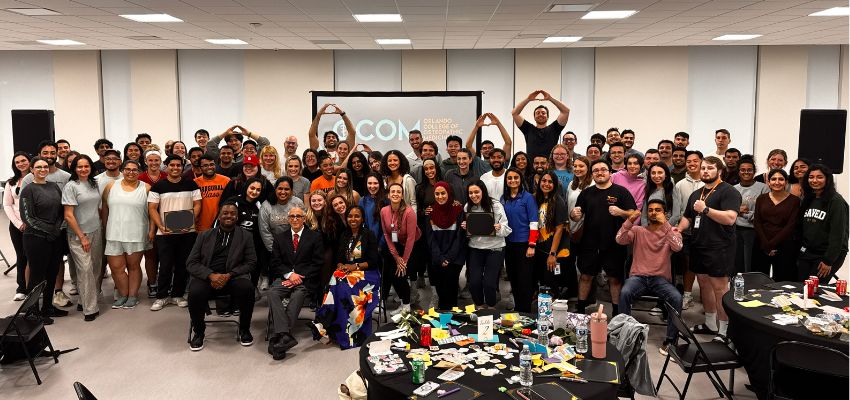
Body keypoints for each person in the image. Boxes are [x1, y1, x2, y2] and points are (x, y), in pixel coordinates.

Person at [677, 156, 742, 342]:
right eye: (703, 168)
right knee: (704, 283)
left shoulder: (728, 192)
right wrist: (679, 228)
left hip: (719, 247)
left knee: (720, 288)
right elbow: (688, 217)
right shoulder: (696, 193)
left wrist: (706, 210)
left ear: (719, 171)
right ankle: (710, 323)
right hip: (699, 245)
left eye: (710, 168)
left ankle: (725, 331)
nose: (705, 171)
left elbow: (730, 218)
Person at [186, 201, 257, 351]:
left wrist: (229, 275)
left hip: (233, 277)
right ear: (219, 216)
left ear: (237, 217)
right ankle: (199, 332)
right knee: (195, 292)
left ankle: (244, 329)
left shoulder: (246, 236)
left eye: (233, 213)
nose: (229, 216)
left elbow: (251, 262)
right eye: (225, 213)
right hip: (207, 277)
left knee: (247, 289)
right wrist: (211, 275)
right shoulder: (204, 235)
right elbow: (191, 263)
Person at [616, 200, 684, 355]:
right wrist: (630, 220)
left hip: (660, 279)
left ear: (665, 213)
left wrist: (666, 225)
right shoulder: (638, 230)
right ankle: (625, 335)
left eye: (658, 210)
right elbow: (619, 239)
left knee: (677, 298)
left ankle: (671, 341)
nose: (654, 213)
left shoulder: (672, 231)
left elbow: (678, 247)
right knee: (625, 292)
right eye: (651, 210)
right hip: (638, 277)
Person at [571, 159, 637, 316]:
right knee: (586, 276)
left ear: (610, 172)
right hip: (589, 243)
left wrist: (621, 212)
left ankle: (616, 311)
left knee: (614, 279)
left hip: (614, 243)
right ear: (592, 174)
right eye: (596, 170)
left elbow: (635, 213)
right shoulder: (586, 193)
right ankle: (580, 308)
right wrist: (573, 215)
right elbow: (576, 216)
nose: (600, 172)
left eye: (603, 170)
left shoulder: (621, 191)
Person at [311, 206, 380, 350]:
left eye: (357, 216)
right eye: (350, 216)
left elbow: (374, 261)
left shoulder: (369, 235)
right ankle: (330, 325)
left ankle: (325, 323)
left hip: (367, 275)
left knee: (339, 282)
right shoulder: (344, 235)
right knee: (337, 278)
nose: (353, 219)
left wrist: (354, 267)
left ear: (362, 219)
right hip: (347, 273)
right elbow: (339, 258)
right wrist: (341, 265)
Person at [264, 206, 324, 358]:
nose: (295, 219)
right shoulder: (280, 237)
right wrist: (290, 275)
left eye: (298, 216)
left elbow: (318, 263)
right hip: (285, 278)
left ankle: (280, 338)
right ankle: (284, 335)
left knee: (298, 294)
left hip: (306, 280)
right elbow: (275, 262)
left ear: (304, 219)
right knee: (272, 292)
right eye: (292, 216)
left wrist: (299, 277)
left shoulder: (315, 237)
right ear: (288, 219)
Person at [20, 141, 73, 309]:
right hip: (36, 238)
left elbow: (60, 211)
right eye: (38, 167)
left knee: (52, 273)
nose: (43, 170)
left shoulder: (53, 187)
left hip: (54, 237)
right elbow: (27, 217)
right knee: (37, 275)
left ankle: (48, 307)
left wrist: (56, 229)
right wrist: (48, 230)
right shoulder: (29, 189)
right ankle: (33, 310)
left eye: (44, 167)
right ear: (32, 170)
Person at [148, 155, 202, 311]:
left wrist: (190, 220)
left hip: (187, 231)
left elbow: (198, 204)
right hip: (164, 233)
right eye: (172, 165)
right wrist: (161, 226)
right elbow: (152, 208)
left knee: (182, 264)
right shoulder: (158, 186)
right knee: (165, 265)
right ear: (167, 166)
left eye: (179, 165)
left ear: (182, 167)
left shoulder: (191, 184)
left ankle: (177, 295)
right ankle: (161, 296)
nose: (175, 168)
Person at [102, 160, 151, 310]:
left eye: (135, 170)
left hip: (136, 233)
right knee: (116, 267)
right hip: (114, 233)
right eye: (128, 169)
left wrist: (151, 231)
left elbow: (152, 212)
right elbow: (105, 208)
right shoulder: (111, 186)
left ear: (139, 171)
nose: (131, 172)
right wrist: (105, 227)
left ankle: (133, 296)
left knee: (134, 266)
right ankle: (123, 295)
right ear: (122, 170)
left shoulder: (146, 188)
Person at [62, 155, 105, 321]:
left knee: (95, 269)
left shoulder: (94, 184)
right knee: (85, 269)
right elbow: (68, 215)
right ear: (74, 168)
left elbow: (98, 208)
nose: (83, 169)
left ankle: (83, 300)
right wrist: (82, 237)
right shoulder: (71, 187)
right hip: (78, 234)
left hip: (96, 230)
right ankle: (90, 308)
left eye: (86, 166)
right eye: (79, 167)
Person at [463, 180, 511, 309]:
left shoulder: (496, 205)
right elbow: (469, 232)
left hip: (495, 248)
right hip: (475, 248)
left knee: (489, 283)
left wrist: (499, 227)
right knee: (474, 282)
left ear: (483, 192)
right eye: (470, 193)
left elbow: (506, 229)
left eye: (476, 192)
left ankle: (491, 306)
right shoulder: (467, 207)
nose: (474, 195)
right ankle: (479, 305)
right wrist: (466, 227)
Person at [798, 164, 848, 281]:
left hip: (826, 255)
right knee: (801, 288)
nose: (814, 180)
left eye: (819, 177)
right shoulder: (809, 198)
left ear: (827, 179)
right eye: (811, 177)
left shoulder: (836, 202)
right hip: (807, 252)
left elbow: (838, 234)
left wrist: (828, 260)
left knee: (814, 290)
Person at [670, 150, 704, 310]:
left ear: (701, 162)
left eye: (695, 161)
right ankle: (688, 296)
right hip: (687, 231)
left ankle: (707, 299)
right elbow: (679, 209)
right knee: (688, 265)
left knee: (705, 267)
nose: (691, 164)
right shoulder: (680, 184)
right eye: (689, 161)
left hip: (707, 232)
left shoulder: (709, 183)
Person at [501, 168, 538, 312]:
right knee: (513, 278)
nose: (512, 181)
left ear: (520, 179)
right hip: (508, 244)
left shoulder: (528, 198)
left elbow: (534, 222)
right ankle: (518, 308)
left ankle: (525, 310)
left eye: (516, 177)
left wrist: (532, 245)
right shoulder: (503, 198)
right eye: (509, 178)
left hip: (525, 245)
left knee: (525, 280)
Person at [753, 169, 800, 282]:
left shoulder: (795, 200)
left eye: (781, 179)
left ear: (786, 182)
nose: (777, 182)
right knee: (759, 280)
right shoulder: (761, 198)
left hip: (784, 246)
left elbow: (791, 225)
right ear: (768, 182)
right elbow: (757, 222)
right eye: (773, 179)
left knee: (783, 280)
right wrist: (766, 244)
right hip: (762, 244)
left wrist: (772, 244)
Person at [380, 183, 419, 313]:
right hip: (394, 245)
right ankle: (402, 303)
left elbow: (410, 238)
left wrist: (404, 261)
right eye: (393, 191)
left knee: (401, 275)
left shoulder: (409, 212)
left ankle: (407, 306)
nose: (395, 194)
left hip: (410, 247)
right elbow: (386, 233)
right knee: (392, 274)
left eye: (398, 192)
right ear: (388, 195)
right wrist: (396, 257)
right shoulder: (384, 211)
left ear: (402, 195)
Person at [427, 182, 466, 310]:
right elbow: (431, 239)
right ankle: (443, 322)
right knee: (441, 289)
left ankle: (453, 319)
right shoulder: (430, 212)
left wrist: (448, 258)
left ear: (448, 194)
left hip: (455, 258)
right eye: (437, 194)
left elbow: (459, 238)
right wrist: (440, 258)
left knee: (451, 287)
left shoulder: (458, 210)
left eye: (443, 193)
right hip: (437, 258)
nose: (440, 196)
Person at [534, 172, 570, 299]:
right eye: (544, 181)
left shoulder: (558, 201)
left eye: (550, 182)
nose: (546, 184)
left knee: (551, 283)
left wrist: (552, 254)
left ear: (555, 185)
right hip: (538, 247)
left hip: (552, 250)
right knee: (541, 281)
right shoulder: (535, 199)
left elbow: (559, 230)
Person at [733, 156, 768, 274]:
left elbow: (764, 212)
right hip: (736, 231)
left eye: (749, 170)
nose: (746, 172)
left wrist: (745, 214)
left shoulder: (763, 188)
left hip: (754, 231)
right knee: (737, 264)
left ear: (754, 171)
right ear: (738, 171)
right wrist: (737, 210)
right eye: (743, 170)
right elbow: (728, 210)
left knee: (751, 264)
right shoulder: (733, 189)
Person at [259, 176, 306, 265]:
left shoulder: (297, 203)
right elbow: (265, 231)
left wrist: (297, 250)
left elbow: (303, 226)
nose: (283, 192)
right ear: (275, 189)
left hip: (296, 247)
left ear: (291, 191)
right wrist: (276, 252)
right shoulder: (266, 206)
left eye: (287, 189)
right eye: (280, 188)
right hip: (274, 249)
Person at [230, 177, 266, 288]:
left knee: (254, 266)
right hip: (235, 243)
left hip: (253, 244)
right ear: (246, 187)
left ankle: (253, 288)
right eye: (252, 188)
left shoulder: (260, 205)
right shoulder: (234, 202)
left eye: (258, 190)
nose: (254, 192)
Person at [512, 90, 570, 159]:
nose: (540, 115)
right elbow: (515, 113)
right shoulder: (528, 129)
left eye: (543, 113)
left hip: (550, 168)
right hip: (531, 168)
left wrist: (551, 99)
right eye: (538, 113)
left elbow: (566, 111)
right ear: (534, 117)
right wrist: (528, 99)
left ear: (547, 116)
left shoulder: (554, 128)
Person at [4, 152, 30, 300]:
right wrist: (19, 224)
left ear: (29, 161)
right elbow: (7, 205)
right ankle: (22, 288)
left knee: (34, 258)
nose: (21, 164)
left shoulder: (36, 178)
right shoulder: (11, 182)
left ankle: (36, 286)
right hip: (17, 226)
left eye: (23, 160)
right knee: (22, 256)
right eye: (17, 162)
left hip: (34, 225)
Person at [566, 156, 592, 300]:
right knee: (570, 263)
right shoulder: (571, 184)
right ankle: (574, 292)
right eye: (575, 166)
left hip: (586, 231)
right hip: (572, 229)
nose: (577, 169)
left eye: (581, 166)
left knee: (586, 267)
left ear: (588, 168)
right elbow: (569, 206)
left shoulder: (592, 184)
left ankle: (589, 299)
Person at [138, 150, 164, 295]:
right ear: (146, 162)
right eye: (151, 160)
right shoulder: (140, 178)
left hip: (165, 220)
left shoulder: (167, 176)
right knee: (151, 255)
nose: (154, 163)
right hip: (145, 220)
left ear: (160, 162)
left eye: (157, 160)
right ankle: (152, 283)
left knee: (166, 254)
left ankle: (165, 281)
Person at [194, 155, 230, 232]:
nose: (209, 167)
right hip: (201, 228)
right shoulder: (195, 183)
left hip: (222, 226)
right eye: (205, 165)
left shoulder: (226, 180)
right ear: (200, 168)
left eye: (211, 164)